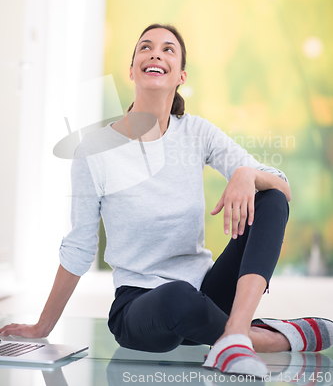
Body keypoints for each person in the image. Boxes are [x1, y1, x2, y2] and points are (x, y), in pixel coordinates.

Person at [1, 24, 332, 377]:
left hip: (207, 294)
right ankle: (266, 338)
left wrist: (247, 174)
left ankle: (235, 335)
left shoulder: (196, 132)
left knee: (271, 198)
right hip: (141, 307)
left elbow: (283, 188)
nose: (156, 53)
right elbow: (80, 247)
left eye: (168, 49)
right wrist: (42, 327)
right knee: (177, 296)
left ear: (181, 75)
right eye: (146, 47)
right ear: (132, 70)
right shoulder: (93, 151)